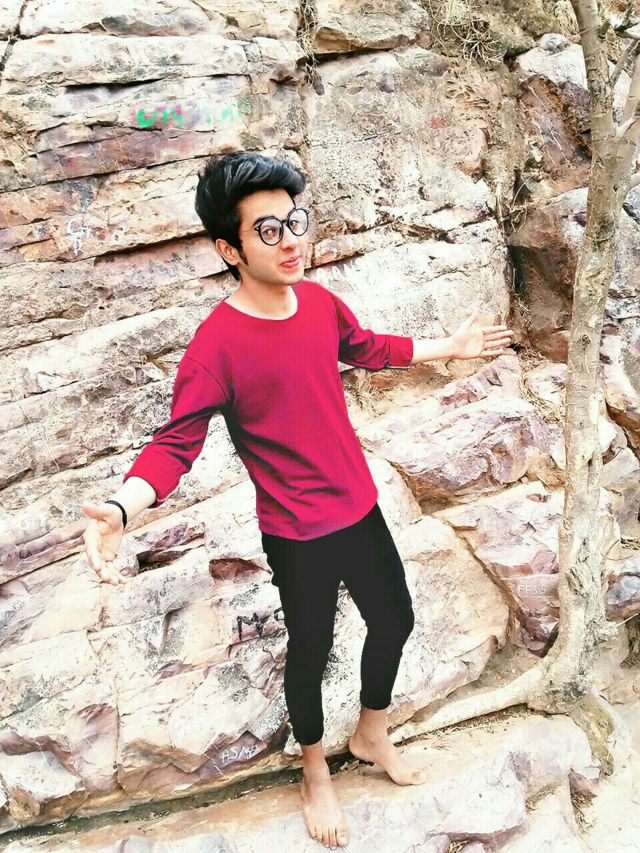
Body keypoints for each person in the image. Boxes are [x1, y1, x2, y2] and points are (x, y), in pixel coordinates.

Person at [82, 151, 514, 850]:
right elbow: (175, 444)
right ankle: (314, 770)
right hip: (295, 532)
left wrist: (449, 347)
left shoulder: (317, 302)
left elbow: (366, 348)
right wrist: (122, 508)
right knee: (311, 650)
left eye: (294, 223)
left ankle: (371, 732)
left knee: (395, 619)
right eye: (267, 230)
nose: (290, 242)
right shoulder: (215, 348)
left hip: (358, 507)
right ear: (229, 249)